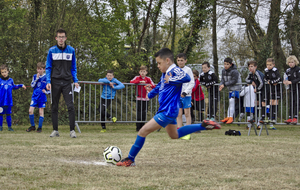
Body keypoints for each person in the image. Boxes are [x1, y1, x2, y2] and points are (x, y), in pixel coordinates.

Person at [116, 48, 221, 167]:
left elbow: (187, 78)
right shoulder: (165, 73)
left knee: (142, 131)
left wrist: (170, 79)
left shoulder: (174, 70)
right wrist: (150, 93)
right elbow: (161, 85)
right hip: (169, 110)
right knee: (174, 135)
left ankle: (130, 159)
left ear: (167, 60)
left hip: (168, 111)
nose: (158, 66)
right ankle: (203, 125)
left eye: (159, 63)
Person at [46, 28, 79, 138]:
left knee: (70, 106)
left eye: (63, 37)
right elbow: (48, 67)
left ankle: (72, 131)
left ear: (65, 38)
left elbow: (73, 67)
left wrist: (75, 80)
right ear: (56, 38)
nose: (61, 39)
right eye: (59, 37)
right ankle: (55, 130)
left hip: (67, 82)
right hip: (55, 82)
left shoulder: (71, 50)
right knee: (54, 106)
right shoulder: (51, 51)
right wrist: (48, 81)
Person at [0, 64, 26, 131]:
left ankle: (9, 127)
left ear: (8, 71)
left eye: (5, 72)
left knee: (8, 114)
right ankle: (0, 127)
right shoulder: (0, 80)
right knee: (1, 114)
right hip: (1, 101)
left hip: (9, 101)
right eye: (2, 72)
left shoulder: (11, 80)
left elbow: (14, 87)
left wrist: (21, 85)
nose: (4, 73)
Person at [130, 66, 155, 132]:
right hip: (139, 98)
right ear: (139, 72)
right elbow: (131, 82)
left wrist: (148, 84)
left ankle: (142, 127)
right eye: (141, 71)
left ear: (146, 72)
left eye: (144, 71)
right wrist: (139, 81)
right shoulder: (137, 77)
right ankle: (138, 127)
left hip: (146, 98)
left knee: (144, 112)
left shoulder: (148, 78)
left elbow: (153, 85)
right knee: (139, 113)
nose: (142, 73)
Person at [27, 62, 50, 133]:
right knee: (30, 111)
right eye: (38, 69)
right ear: (37, 70)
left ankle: (39, 128)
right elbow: (32, 86)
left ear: (44, 69)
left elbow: (50, 90)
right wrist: (36, 79)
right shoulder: (34, 76)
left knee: (41, 112)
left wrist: (46, 92)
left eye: (41, 69)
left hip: (42, 97)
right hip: (34, 96)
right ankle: (33, 126)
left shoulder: (47, 77)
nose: (39, 71)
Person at [176, 53, 195, 140]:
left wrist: (185, 92)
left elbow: (192, 83)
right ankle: (180, 131)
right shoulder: (174, 70)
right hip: (177, 95)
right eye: (178, 60)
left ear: (185, 61)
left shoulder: (188, 70)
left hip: (186, 95)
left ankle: (188, 131)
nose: (180, 62)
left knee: (187, 113)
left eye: (182, 60)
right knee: (179, 114)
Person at [219, 57, 242, 124]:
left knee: (232, 101)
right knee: (230, 102)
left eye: (227, 64)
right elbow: (222, 79)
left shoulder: (235, 71)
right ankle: (228, 116)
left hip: (236, 88)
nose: (225, 65)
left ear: (231, 64)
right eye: (224, 64)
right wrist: (221, 85)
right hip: (230, 89)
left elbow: (234, 81)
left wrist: (224, 84)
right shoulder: (223, 71)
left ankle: (231, 117)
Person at [245, 60, 265, 125]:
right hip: (256, 92)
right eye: (249, 67)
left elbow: (262, 83)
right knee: (256, 104)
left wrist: (258, 89)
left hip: (262, 90)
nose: (250, 68)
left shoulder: (257, 73)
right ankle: (255, 118)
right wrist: (251, 82)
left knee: (261, 104)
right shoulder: (250, 73)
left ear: (255, 67)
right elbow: (246, 80)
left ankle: (262, 118)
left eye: (252, 66)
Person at [263, 58, 281, 124]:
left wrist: (273, 81)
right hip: (270, 89)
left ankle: (274, 117)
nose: (269, 66)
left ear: (273, 65)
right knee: (270, 102)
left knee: (275, 102)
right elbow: (265, 78)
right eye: (267, 65)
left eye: (270, 65)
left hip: (276, 89)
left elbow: (279, 78)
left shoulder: (275, 70)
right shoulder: (266, 71)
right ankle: (270, 117)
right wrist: (268, 81)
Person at [283, 55, 300, 125]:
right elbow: (285, 77)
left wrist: (292, 82)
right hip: (291, 89)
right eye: (289, 62)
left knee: (297, 102)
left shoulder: (298, 69)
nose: (291, 64)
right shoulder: (288, 70)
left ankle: (295, 117)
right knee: (291, 103)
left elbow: (299, 78)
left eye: (292, 62)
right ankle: (290, 117)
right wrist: (285, 81)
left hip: (298, 88)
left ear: (295, 62)